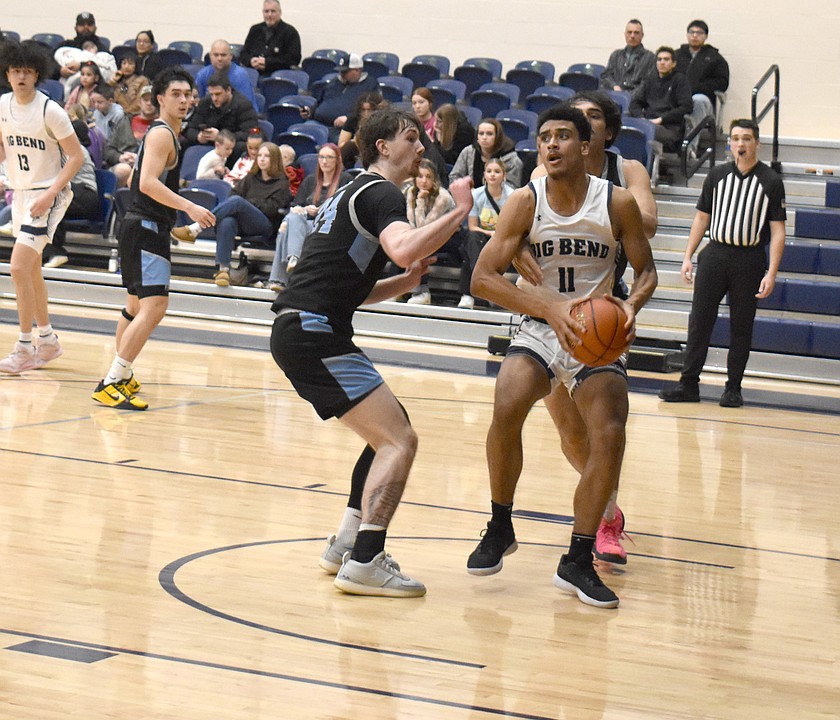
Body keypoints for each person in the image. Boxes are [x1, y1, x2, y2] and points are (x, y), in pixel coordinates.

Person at [270, 108, 473, 597]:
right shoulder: (381, 192)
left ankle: (345, 544)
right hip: (314, 331)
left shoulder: (350, 190)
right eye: (411, 137)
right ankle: (366, 559)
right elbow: (403, 247)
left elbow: (344, 285)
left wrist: (401, 284)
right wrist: (461, 211)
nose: (422, 147)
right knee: (400, 440)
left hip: (304, 327)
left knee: (387, 429)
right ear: (382, 145)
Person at [465, 105, 657, 608]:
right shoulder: (526, 201)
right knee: (507, 404)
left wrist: (630, 306)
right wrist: (548, 308)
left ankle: (576, 559)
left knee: (609, 433)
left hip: (597, 333)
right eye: (544, 137)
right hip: (540, 327)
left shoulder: (616, 202)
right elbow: (481, 279)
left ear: (586, 146)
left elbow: (646, 272)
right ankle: (501, 523)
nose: (551, 145)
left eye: (563, 136)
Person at [525, 90, 658, 566]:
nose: (578, 126)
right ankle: (608, 507)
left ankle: (601, 524)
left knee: (605, 427)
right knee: (568, 429)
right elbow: (517, 232)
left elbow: (650, 224)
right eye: (570, 120)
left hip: (603, 303)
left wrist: (594, 197)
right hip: (551, 306)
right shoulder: (545, 170)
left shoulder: (628, 173)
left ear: (605, 131)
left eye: (590, 119)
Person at [92, 67, 215, 409]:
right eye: (175, 94)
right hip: (145, 229)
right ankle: (112, 380)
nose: (184, 100)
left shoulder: (163, 135)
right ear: (159, 98)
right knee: (155, 307)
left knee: (135, 307)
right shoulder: (163, 135)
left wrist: (169, 212)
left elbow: (134, 178)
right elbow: (145, 183)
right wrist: (188, 207)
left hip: (140, 225)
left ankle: (122, 375)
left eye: (187, 94)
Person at [659, 119, 786, 408]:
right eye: (736, 138)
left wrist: (772, 272)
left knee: (741, 326)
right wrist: (688, 256)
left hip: (749, 259)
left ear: (757, 144)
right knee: (699, 322)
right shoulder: (716, 175)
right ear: (729, 143)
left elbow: (778, 231)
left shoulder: (770, 181)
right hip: (715, 254)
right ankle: (688, 384)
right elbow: (702, 218)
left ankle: (733, 388)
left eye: (747, 139)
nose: (741, 144)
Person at [0, 41, 85, 374]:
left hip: (49, 194)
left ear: (36, 75)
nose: (21, 76)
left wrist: (50, 193)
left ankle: (24, 346)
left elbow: (76, 157)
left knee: (19, 267)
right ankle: (47, 341)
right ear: (7, 74)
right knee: (31, 271)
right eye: (15, 70)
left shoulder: (51, 110)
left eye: (27, 71)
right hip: (20, 194)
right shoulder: (3, 105)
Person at [171, 141, 290, 286]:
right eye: (260, 155)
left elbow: (271, 208)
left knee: (237, 202)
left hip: (265, 225)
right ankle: (223, 269)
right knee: (228, 221)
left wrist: (248, 203)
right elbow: (232, 195)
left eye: (267, 156)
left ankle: (196, 228)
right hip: (243, 222)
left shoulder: (282, 183)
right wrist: (247, 204)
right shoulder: (251, 178)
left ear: (275, 159)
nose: (262, 159)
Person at [268, 142, 351, 291]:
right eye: (322, 157)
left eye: (329, 157)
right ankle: (293, 259)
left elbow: (345, 208)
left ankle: (278, 279)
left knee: (285, 230)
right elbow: (295, 206)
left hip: (328, 226)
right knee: (292, 219)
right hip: (304, 225)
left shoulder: (345, 180)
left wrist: (321, 210)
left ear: (337, 160)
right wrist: (306, 209)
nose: (324, 161)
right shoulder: (311, 180)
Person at [457, 158, 514, 310]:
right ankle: (482, 288)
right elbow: (473, 226)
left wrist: (497, 235)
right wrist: (489, 233)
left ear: (504, 175)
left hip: (504, 238)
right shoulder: (476, 194)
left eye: (497, 171)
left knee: (471, 253)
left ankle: (469, 293)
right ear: (484, 175)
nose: (493, 175)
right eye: (489, 171)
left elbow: (513, 227)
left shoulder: (512, 196)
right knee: (472, 239)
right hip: (482, 237)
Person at [44, 118, 99, 268]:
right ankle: (46, 251)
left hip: (86, 194)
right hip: (77, 192)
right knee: (50, 200)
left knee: (53, 199)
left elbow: (58, 177)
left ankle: (57, 252)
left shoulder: (76, 149)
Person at [404, 158, 456, 305]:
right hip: (423, 236)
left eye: (428, 177)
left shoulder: (443, 197)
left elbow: (425, 228)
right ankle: (402, 289)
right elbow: (411, 223)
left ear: (435, 180)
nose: (424, 181)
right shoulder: (409, 192)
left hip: (448, 237)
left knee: (421, 243)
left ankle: (422, 291)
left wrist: (420, 202)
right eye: (420, 176)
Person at [675, 20, 730, 154]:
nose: (694, 36)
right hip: (678, 99)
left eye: (699, 33)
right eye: (691, 32)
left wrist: (697, 87)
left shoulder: (715, 58)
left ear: (705, 36)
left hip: (703, 102)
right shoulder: (676, 55)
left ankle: (689, 148)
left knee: (698, 99)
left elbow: (722, 83)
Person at [628, 46, 692, 153]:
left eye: (666, 59)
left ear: (674, 63)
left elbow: (686, 106)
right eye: (659, 59)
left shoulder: (680, 80)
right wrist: (640, 118)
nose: (662, 62)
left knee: (646, 131)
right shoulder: (649, 79)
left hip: (670, 127)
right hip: (648, 122)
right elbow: (635, 103)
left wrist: (661, 119)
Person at [184, 73, 259, 163]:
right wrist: (198, 136)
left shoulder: (243, 105)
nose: (214, 98)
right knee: (183, 143)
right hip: (210, 142)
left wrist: (221, 137)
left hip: (230, 144)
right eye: (211, 94)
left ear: (228, 90)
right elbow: (191, 128)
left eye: (218, 94)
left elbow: (249, 133)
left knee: (241, 147)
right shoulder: (205, 103)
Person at [305, 53, 379, 134]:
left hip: (344, 129)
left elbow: (372, 111)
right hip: (318, 122)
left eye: (345, 71)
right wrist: (310, 111)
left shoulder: (370, 85)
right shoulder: (334, 82)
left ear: (357, 70)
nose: (341, 74)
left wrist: (349, 119)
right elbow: (320, 101)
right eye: (341, 71)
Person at [449, 118, 522, 189]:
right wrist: (467, 189)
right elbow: (454, 176)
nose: (484, 137)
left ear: (497, 137)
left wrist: (483, 194)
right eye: (481, 133)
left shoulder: (511, 159)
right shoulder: (468, 152)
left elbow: (512, 188)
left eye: (489, 134)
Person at [239, 0, 302, 78]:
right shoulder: (254, 30)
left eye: (273, 11)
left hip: (277, 77)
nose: (269, 14)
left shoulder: (290, 32)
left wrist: (267, 62)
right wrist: (251, 61)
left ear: (280, 12)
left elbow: (294, 59)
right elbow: (244, 53)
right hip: (253, 74)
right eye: (266, 11)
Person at [195, 40, 259, 114]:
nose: (219, 59)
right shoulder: (202, 74)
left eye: (223, 55)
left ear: (230, 57)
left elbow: (246, 107)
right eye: (216, 55)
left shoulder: (240, 76)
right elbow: (199, 102)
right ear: (210, 56)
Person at [599, 18, 655, 94]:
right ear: (625, 34)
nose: (632, 36)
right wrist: (614, 86)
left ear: (642, 35)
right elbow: (605, 76)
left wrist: (629, 95)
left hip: (637, 100)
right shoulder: (616, 55)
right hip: (615, 96)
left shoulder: (650, 57)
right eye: (629, 32)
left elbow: (649, 83)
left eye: (636, 33)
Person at [337, 91, 385, 168]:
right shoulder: (353, 119)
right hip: (355, 151)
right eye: (363, 110)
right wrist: (356, 141)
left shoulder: (384, 122)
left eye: (370, 110)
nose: (366, 113)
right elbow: (341, 145)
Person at [432, 103, 475, 167]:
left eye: (439, 121)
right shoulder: (439, 129)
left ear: (448, 122)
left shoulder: (464, 133)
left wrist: (437, 142)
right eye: (435, 120)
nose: (435, 124)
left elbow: (452, 159)